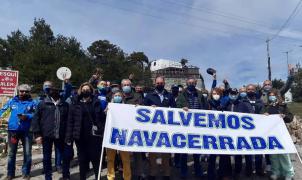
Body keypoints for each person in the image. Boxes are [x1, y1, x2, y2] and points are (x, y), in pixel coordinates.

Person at [65, 82, 105, 180]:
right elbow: (70, 121)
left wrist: (102, 129)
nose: (85, 91)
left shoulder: (96, 102)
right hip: (80, 136)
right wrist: (68, 137)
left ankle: (97, 177)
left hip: (94, 136)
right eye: (83, 89)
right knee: (82, 160)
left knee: (95, 159)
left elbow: (101, 118)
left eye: (87, 89)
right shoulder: (75, 102)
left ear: (91, 91)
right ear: (80, 91)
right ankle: (82, 177)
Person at [31, 87, 71, 180]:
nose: (54, 92)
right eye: (52, 90)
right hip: (46, 135)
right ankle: (48, 177)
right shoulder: (42, 104)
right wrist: (37, 135)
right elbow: (36, 119)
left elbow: (69, 120)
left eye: (56, 90)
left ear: (60, 92)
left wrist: (69, 134)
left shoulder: (65, 105)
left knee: (65, 156)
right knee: (47, 158)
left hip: (61, 135)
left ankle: (66, 175)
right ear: (48, 92)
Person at [0, 84, 36, 180]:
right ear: (18, 91)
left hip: (27, 131)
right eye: (21, 91)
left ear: (28, 93)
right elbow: (3, 111)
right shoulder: (12, 101)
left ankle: (26, 173)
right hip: (13, 131)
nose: (23, 93)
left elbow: (37, 114)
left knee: (27, 153)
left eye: (25, 91)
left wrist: (27, 116)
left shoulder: (33, 102)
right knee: (11, 153)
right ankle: (10, 174)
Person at [144, 76, 176, 180]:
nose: (160, 84)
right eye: (158, 83)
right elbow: (143, 110)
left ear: (164, 83)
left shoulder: (169, 96)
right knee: (152, 154)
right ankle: (152, 174)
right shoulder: (149, 96)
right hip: (152, 129)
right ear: (155, 83)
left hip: (166, 129)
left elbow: (175, 110)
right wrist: (149, 109)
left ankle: (166, 174)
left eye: (161, 83)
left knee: (166, 154)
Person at [176, 78, 207, 179]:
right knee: (184, 152)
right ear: (186, 83)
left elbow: (205, 107)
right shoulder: (181, 95)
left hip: (197, 126)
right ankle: (183, 173)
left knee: (196, 151)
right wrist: (181, 109)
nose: (191, 84)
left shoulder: (200, 94)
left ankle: (198, 171)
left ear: (196, 83)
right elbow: (177, 107)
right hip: (185, 126)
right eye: (189, 83)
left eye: (193, 83)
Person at [263, 89, 294, 180]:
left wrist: (284, 116)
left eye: (273, 95)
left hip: (281, 133)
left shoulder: (283, 105)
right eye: (270, 95)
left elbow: (290, 117)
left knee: (284, 154)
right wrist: (264, 115)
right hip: (271, 133)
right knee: (273, 155)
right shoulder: (267, 106)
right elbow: (263, 118)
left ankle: (288, 173)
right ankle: (275, 172)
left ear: (277, 96)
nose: (271, 97)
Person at [225, 88, 253, 179]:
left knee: (243, 153)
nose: (233, 95)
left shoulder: (243, 105)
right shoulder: (227, 104)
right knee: (232, 153)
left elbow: (251, 116)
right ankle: (233, 171)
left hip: (242, 133)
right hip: (230, 133)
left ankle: (244, 171)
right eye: (231, 94)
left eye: (235, 94)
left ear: (238, 94)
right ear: (229, 94)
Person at [121, 79, 145, 180]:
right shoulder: (118, 96)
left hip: (135, 128)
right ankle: (125, 174)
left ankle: (139, 173)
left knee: (137, 153)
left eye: (128, 84)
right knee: (123, 153)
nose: (126, 86)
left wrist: (140, 107)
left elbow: (143, 108)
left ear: (131, 86)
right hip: (122, 128)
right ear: (121, 86)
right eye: (124, 85)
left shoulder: (137, 96)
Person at [106, 90, 132, 180]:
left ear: (122, 97)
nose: (117, 97)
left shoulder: (127, 107)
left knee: (126, 159)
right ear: (113, 97)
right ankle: (110, 177)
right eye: (115, 96)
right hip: (111, 135)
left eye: (119, 96)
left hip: (123, 135)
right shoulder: (109, 106)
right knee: (110, 159)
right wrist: (106, 111)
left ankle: (127, 177)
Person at [207, 87, 232, 180]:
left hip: (223, 132)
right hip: (212, 133)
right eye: (213, 93)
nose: (215, 95)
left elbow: (228, 97)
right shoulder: (209, 103)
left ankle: (223, 174)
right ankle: (211, 174)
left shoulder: (225, 103)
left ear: (220, 94)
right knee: (212, 156)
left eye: (217, 93)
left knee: (224, 155)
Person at [246, 84, 265, 176]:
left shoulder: (259, 101)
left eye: (252, 89)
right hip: (246, 130)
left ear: (255, 90)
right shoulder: (243, 101)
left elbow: (262, 112)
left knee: (258, 150)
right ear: (246, 90)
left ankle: (259, 169)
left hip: (258, 130)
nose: (250, 91)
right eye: (248, 89)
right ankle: (248, 170)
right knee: (247, 151)